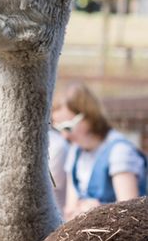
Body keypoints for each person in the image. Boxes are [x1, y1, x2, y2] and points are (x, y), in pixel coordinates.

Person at [53, 82, 147, 221]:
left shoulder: (119, 152)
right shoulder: (76, 151)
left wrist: (99, 212)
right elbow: (70, 211)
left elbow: (130, 215)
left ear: (88, 117)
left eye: (68, 127)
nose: (64, 136)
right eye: (58, 128)